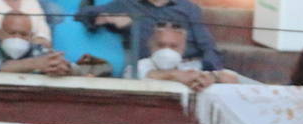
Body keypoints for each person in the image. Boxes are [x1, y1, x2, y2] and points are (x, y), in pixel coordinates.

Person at [76, 0, 223, 73]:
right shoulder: (126, 5)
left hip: (188, 67)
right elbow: (83, 14)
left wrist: (209, 71)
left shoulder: (188, 8)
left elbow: (208, 47)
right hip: (148, 70)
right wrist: (107, 17)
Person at [134, 18, 237, 86]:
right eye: (161, 45)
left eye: (173, 46)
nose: (166, 50)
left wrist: (212, 77)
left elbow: (231, 77)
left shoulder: (189, 68)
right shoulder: (139, 65)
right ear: (151, 45)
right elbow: (146, 74)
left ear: (183, 48)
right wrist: (176, 76)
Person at [0, 9, 73, 73]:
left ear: (31, 36)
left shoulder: (36, 49)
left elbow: (53, 62)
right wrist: (34, 64)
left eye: (23, 34)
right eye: (11, 33)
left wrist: (64, 68)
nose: (17, 38)